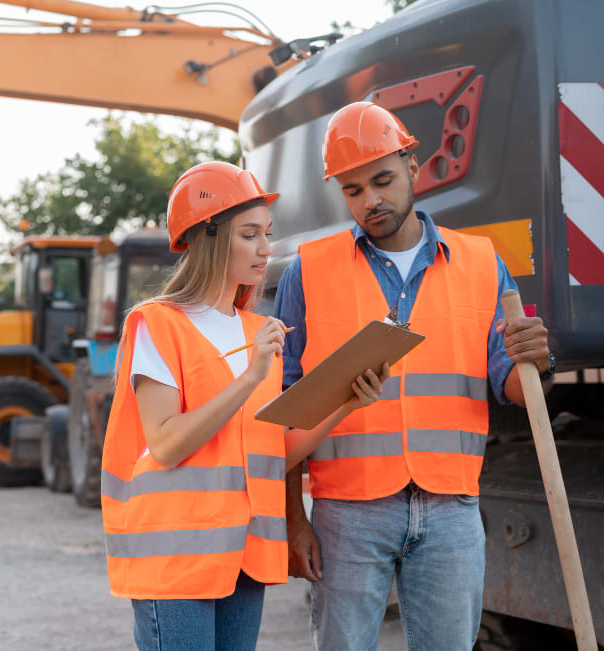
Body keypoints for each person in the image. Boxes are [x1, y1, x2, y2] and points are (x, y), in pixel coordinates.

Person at [274, 101, 554, 650]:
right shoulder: (307, 272)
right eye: (353, 191)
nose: (371, 201)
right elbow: (284, 407)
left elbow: (513, 384)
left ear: (412, 164)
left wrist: (536, 359)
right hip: (346, 513)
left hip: (451, 508)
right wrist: (292, 518)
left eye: (381, 180)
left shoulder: (481, 263)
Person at [100, 161, 389, 650]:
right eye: (249, 234)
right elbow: (167, 444)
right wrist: (250, 376)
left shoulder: (258, 332)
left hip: (245, 555)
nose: (265, 249)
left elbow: (273, 451)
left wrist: (346, 402)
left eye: (267, 234)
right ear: (209, 238)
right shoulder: (156, 324)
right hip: (175, 558)